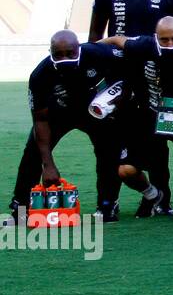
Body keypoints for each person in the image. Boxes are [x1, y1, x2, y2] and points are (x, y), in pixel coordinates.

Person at [101, 17, 173, 225]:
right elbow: (116, 40)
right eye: (164, 40)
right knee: (126, 170)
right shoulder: (142, 46)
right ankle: (154, 196)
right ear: (155, 38)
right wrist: (87, 49)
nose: (170, 44)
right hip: (152, 112)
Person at [12, 32, 125, 222]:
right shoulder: (40, 75)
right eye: (58, 54)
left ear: (79, 48)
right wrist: (48, 165)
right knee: (33, 152)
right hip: (59, 112)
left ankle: (107, 204)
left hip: (94, 110)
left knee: (108, 150)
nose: (65, 59)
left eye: (71, 53)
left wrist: (118, 96)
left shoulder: (98, 53)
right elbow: (40, 120)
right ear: (50, 52)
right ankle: (21, 207)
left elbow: (129, 67)